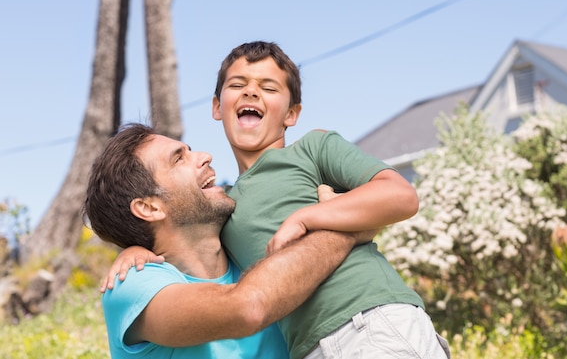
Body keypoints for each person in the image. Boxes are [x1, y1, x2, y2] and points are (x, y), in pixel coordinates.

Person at [109, 41, 450, 358]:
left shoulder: (313, 149)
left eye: (269, 88)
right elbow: (187, 244)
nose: (252, 91)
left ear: (291, 115)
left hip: (370, 320)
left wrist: (308, 218)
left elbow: (400, 195)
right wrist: (138, 250)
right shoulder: (224, 207)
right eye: (238, 84)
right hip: (311, 347)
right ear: (217, 106)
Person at [84, 123, 376, 359]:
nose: (205, 155)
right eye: (179, 158)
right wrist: (343, 228)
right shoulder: (130, 285)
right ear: (149, 208)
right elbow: (248, 308)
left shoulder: (254, 254)